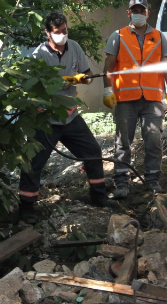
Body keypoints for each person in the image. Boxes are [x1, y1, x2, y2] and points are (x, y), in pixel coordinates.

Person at [18, 12, 118, 224]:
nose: (62, 35)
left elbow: (88, 75)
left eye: (64, 30)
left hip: (70, 117)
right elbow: (33, 87)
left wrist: (84, 79)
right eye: (57, 32)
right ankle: (26, 207)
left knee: (92, 152)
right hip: (45, 119)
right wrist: (61, 81)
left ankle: (98, 196)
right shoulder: (39, 55)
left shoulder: (74, 47)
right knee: (33, 162)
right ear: (47, 33)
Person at [102, 0, 167, 199]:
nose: (138, 13)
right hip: (125, 98)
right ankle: (122, 183)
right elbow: (108, 64)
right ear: (128, 13)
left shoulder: (159, 37)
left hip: (152, 98)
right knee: (122, 142)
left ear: (147, 13)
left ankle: (152, 181)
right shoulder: (118, 36)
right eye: (134, 10)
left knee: (153, 140)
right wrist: (107, 89)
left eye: (141, 10)